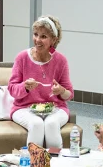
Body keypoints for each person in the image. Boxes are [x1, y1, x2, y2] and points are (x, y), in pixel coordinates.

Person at [8, 15, 73, 148]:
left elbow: (69, 94)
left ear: (53, 40)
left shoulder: (61, 61)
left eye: (43, 36)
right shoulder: (22, 58)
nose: (37, 40)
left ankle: (55, 164)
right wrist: (25, 87)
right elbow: (12, 89)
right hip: (24, 108)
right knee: (36, 124)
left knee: (51, 124)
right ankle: (34, 164)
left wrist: (61, 90)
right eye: (36, 34)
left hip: (56, 108)